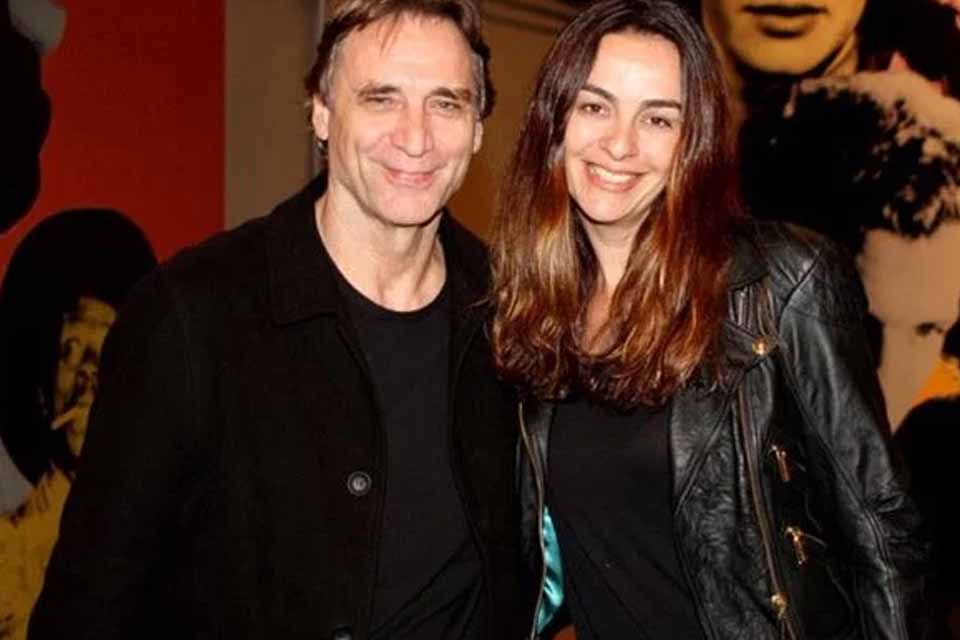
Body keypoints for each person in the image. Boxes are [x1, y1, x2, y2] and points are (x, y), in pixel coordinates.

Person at [28, 0, 532, 638]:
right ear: (321, 111)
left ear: (478, 128)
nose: (416, 137)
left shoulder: (517, 315)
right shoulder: (192, 315)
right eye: (381, 99)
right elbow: (87, 606)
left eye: (446, 103)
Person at [490, 0, 929, 638]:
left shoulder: (781, 281)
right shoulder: (530, 313)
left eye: (657, 119)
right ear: (553, 122)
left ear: (691, 142)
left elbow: (883, 529)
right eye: (595, 107)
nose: (620, 143)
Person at [0, 209, 156, 640]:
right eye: (71, 350)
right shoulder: (8, 554)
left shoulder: (161, 550)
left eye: (102, 351)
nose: (87, 373)